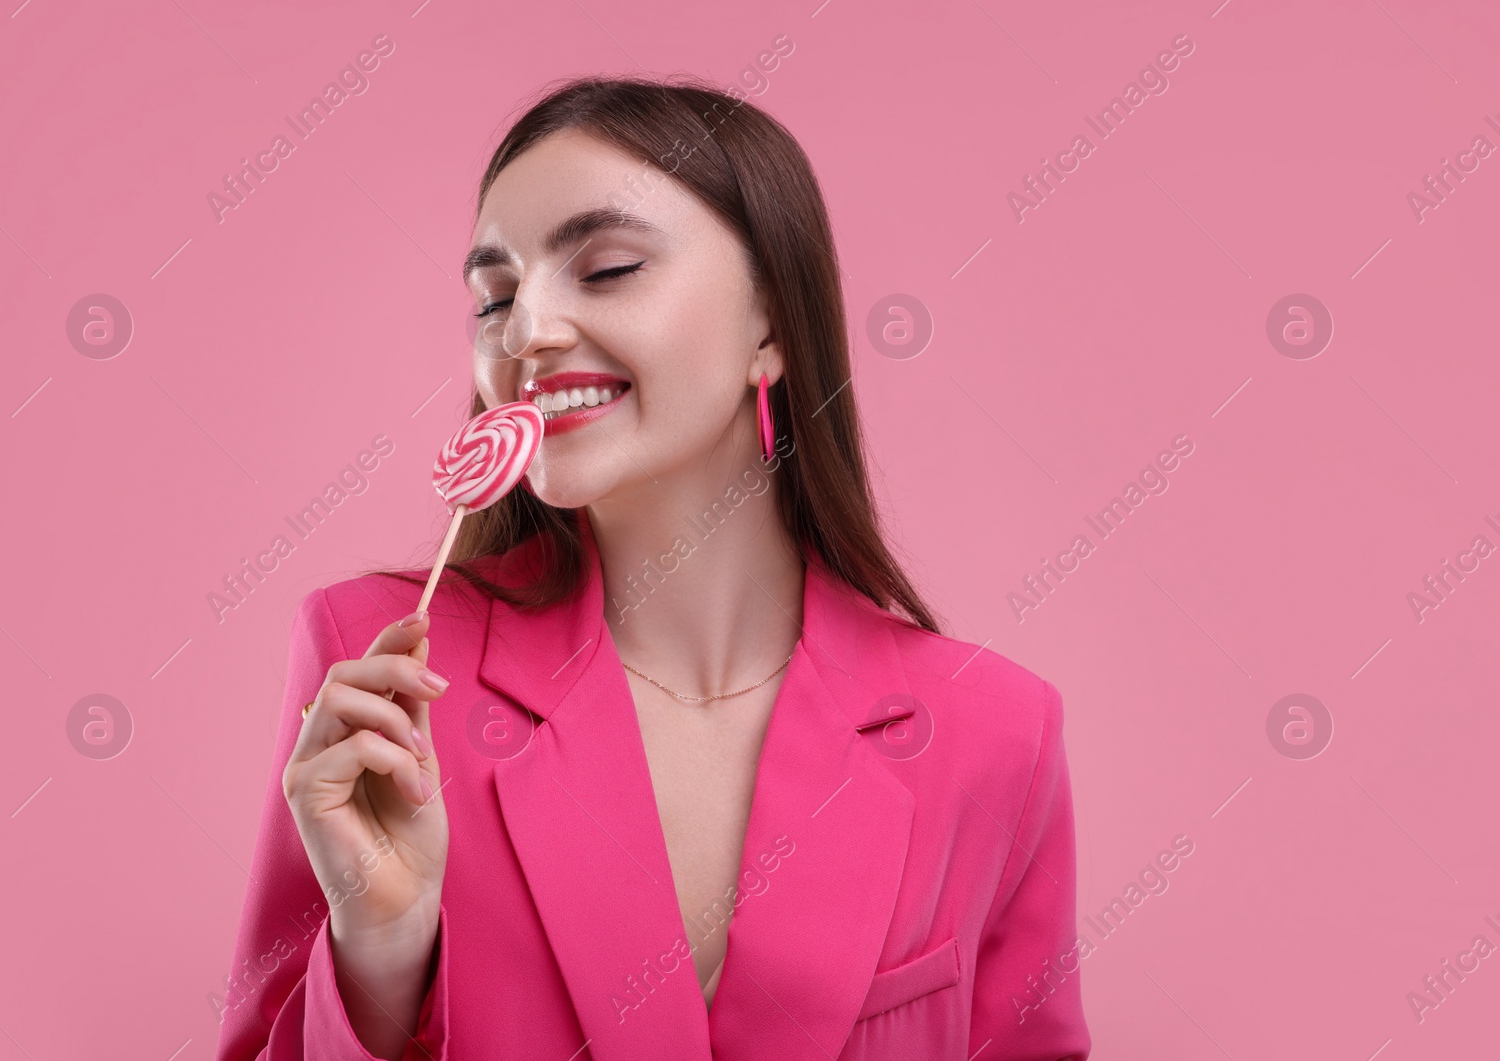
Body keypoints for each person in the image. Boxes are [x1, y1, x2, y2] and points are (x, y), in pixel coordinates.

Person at [214, 75, 1090, 1061]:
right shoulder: (381, 673)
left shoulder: (995, 733)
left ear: (772, 328)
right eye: (496, 296)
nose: (525, 334)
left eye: (608, 268)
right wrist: (378, 951)